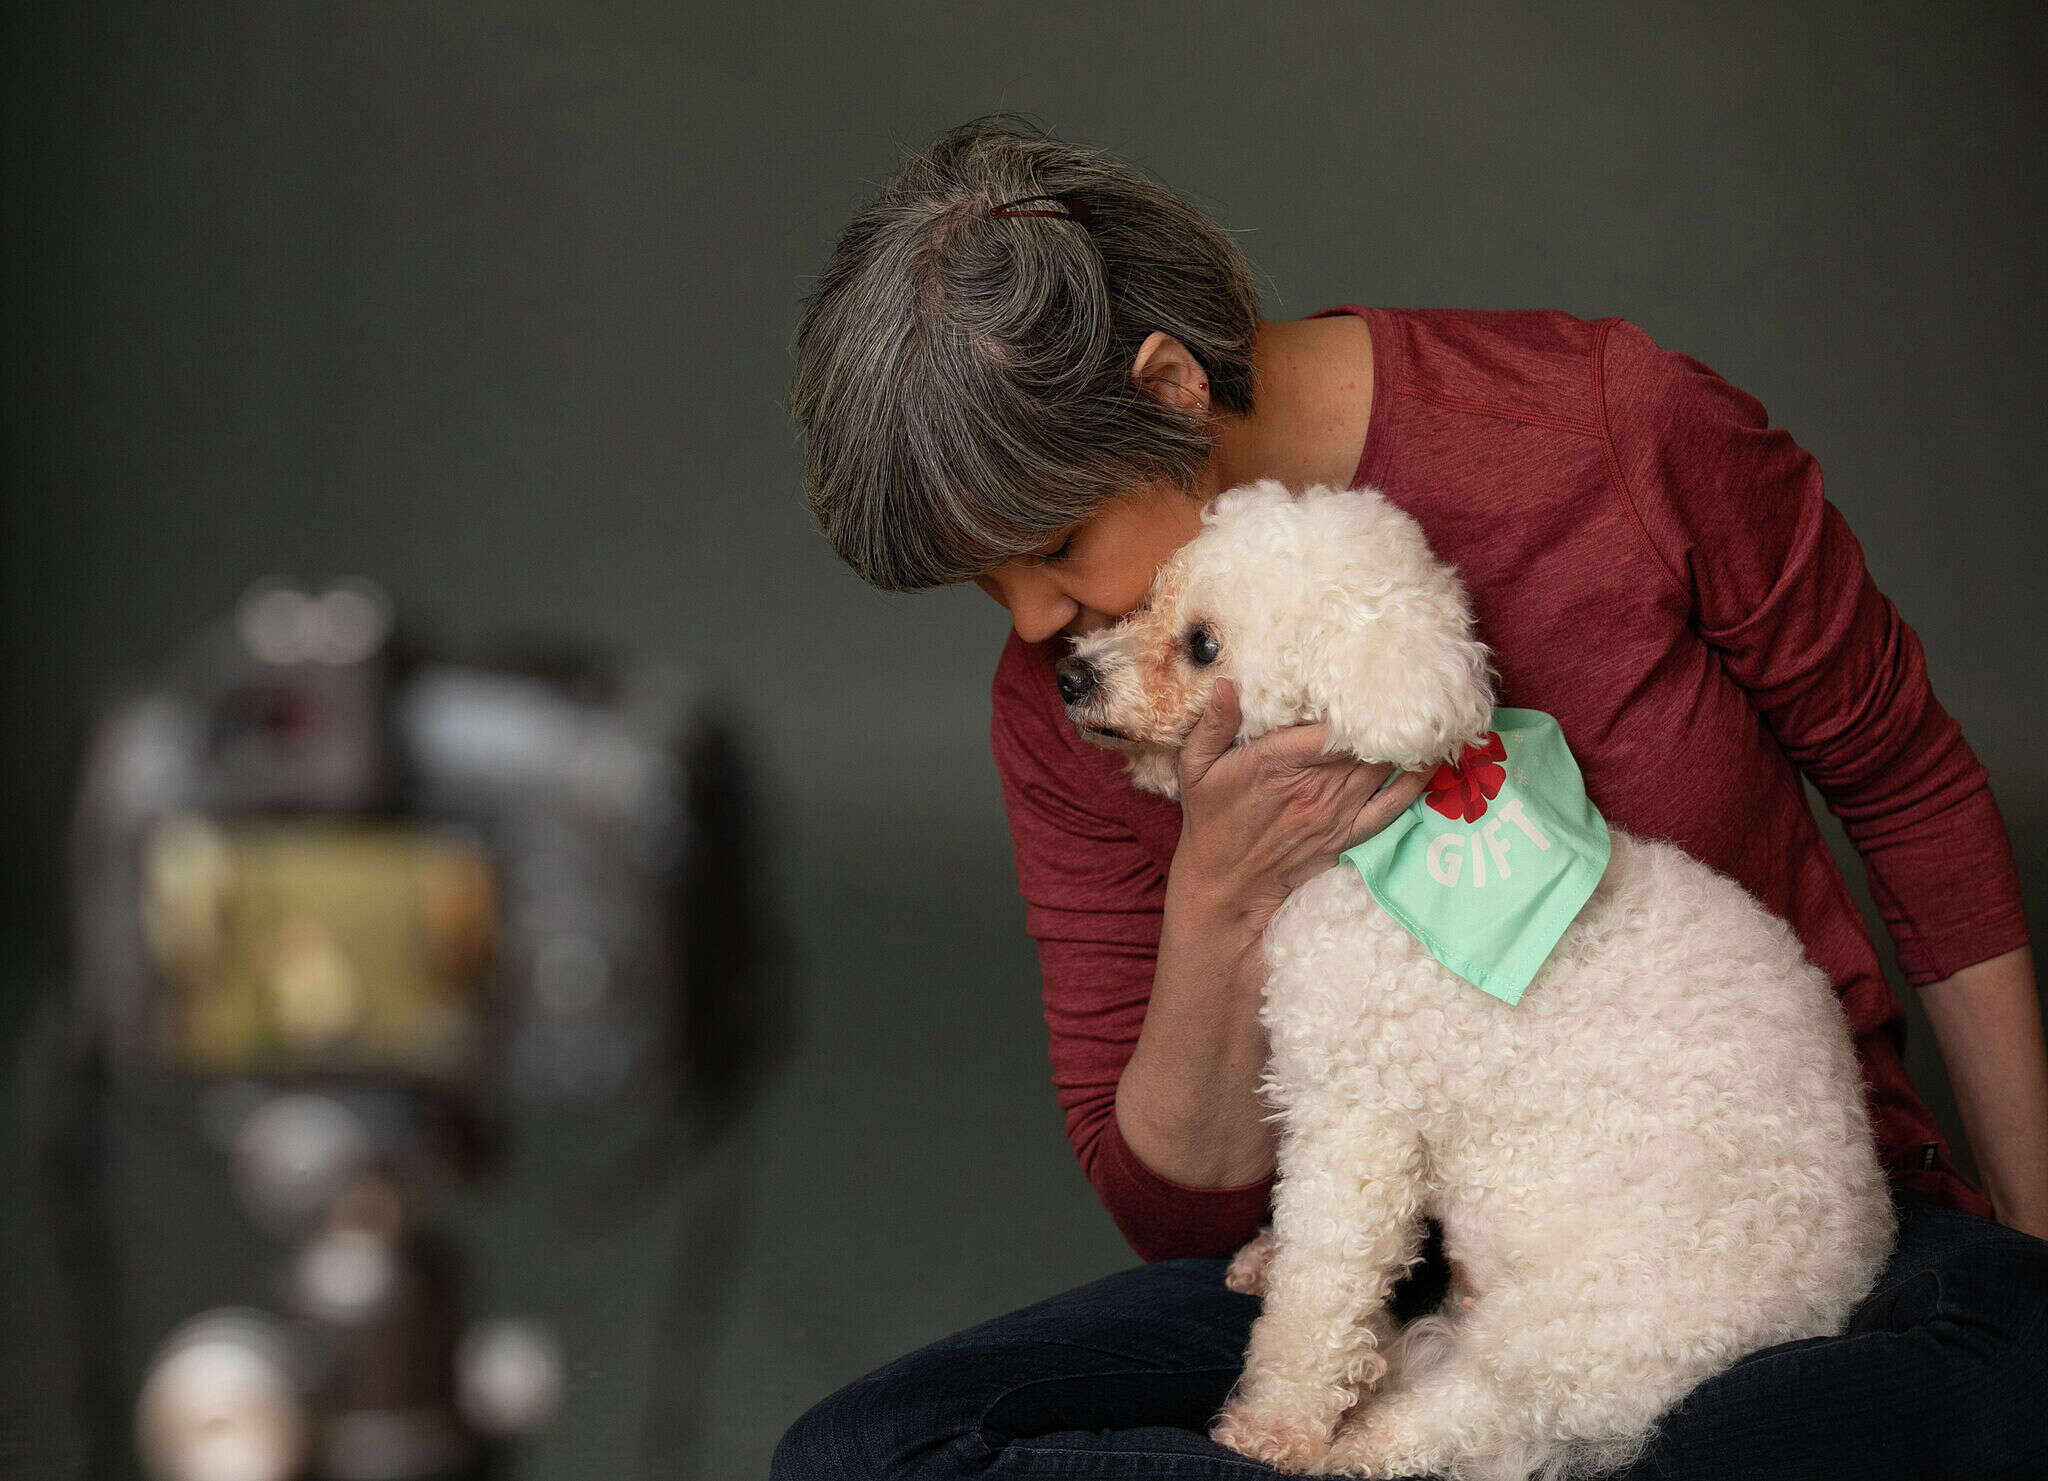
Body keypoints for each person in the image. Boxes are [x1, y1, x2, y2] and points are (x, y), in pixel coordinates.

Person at [774, 115, 2048, 1479]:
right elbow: (1175, 1218)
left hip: (1751, 1225)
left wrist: (2038, 1238)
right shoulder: (1075, 693)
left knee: (1883, 1390)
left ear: (1171, 386)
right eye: (985, 581)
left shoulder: (1615, 425)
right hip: (1383, 1257)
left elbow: (1911, 791)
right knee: (866, 1452)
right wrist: (1219, 892)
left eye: (1052, 545)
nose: (1033, 623)